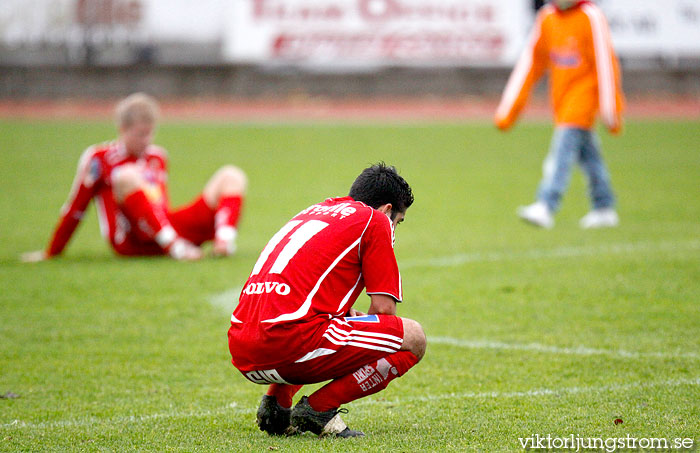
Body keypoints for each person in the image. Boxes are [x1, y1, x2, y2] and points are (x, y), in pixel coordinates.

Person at [228, 163, 426, 438]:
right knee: (414, 338)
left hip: (242, 347)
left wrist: (349, 318)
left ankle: (277, 405)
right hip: (288, 344)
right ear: (388, 210)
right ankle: (319, 409)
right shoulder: (376, 220)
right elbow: (384, 310)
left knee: (333, 322)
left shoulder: (313, 212)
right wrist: (367, 327)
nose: (395, 230)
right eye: (398, 222)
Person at [21, 93, 246, 261]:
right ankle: (176, 248)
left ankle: (223, 243)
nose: (147, 140)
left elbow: (160, 204)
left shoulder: (157, 156)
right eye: (140, 134)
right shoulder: (99, 158)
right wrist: (52, 252)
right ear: (122, 129)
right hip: (131, 241)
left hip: (163, 229)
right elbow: (76, 208)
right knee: (128, 176)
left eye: (150, 133)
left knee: (231, 175)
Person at [494, 0, 624, 229]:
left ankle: (546, 204)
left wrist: (611, 109)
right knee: (588, 154)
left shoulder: (590, 16)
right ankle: (604, 205)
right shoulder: (547, 18)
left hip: (585, 96)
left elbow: (605, 63)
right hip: (561, 99)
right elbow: (531, 62)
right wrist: (509, 110)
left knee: (563, 148)